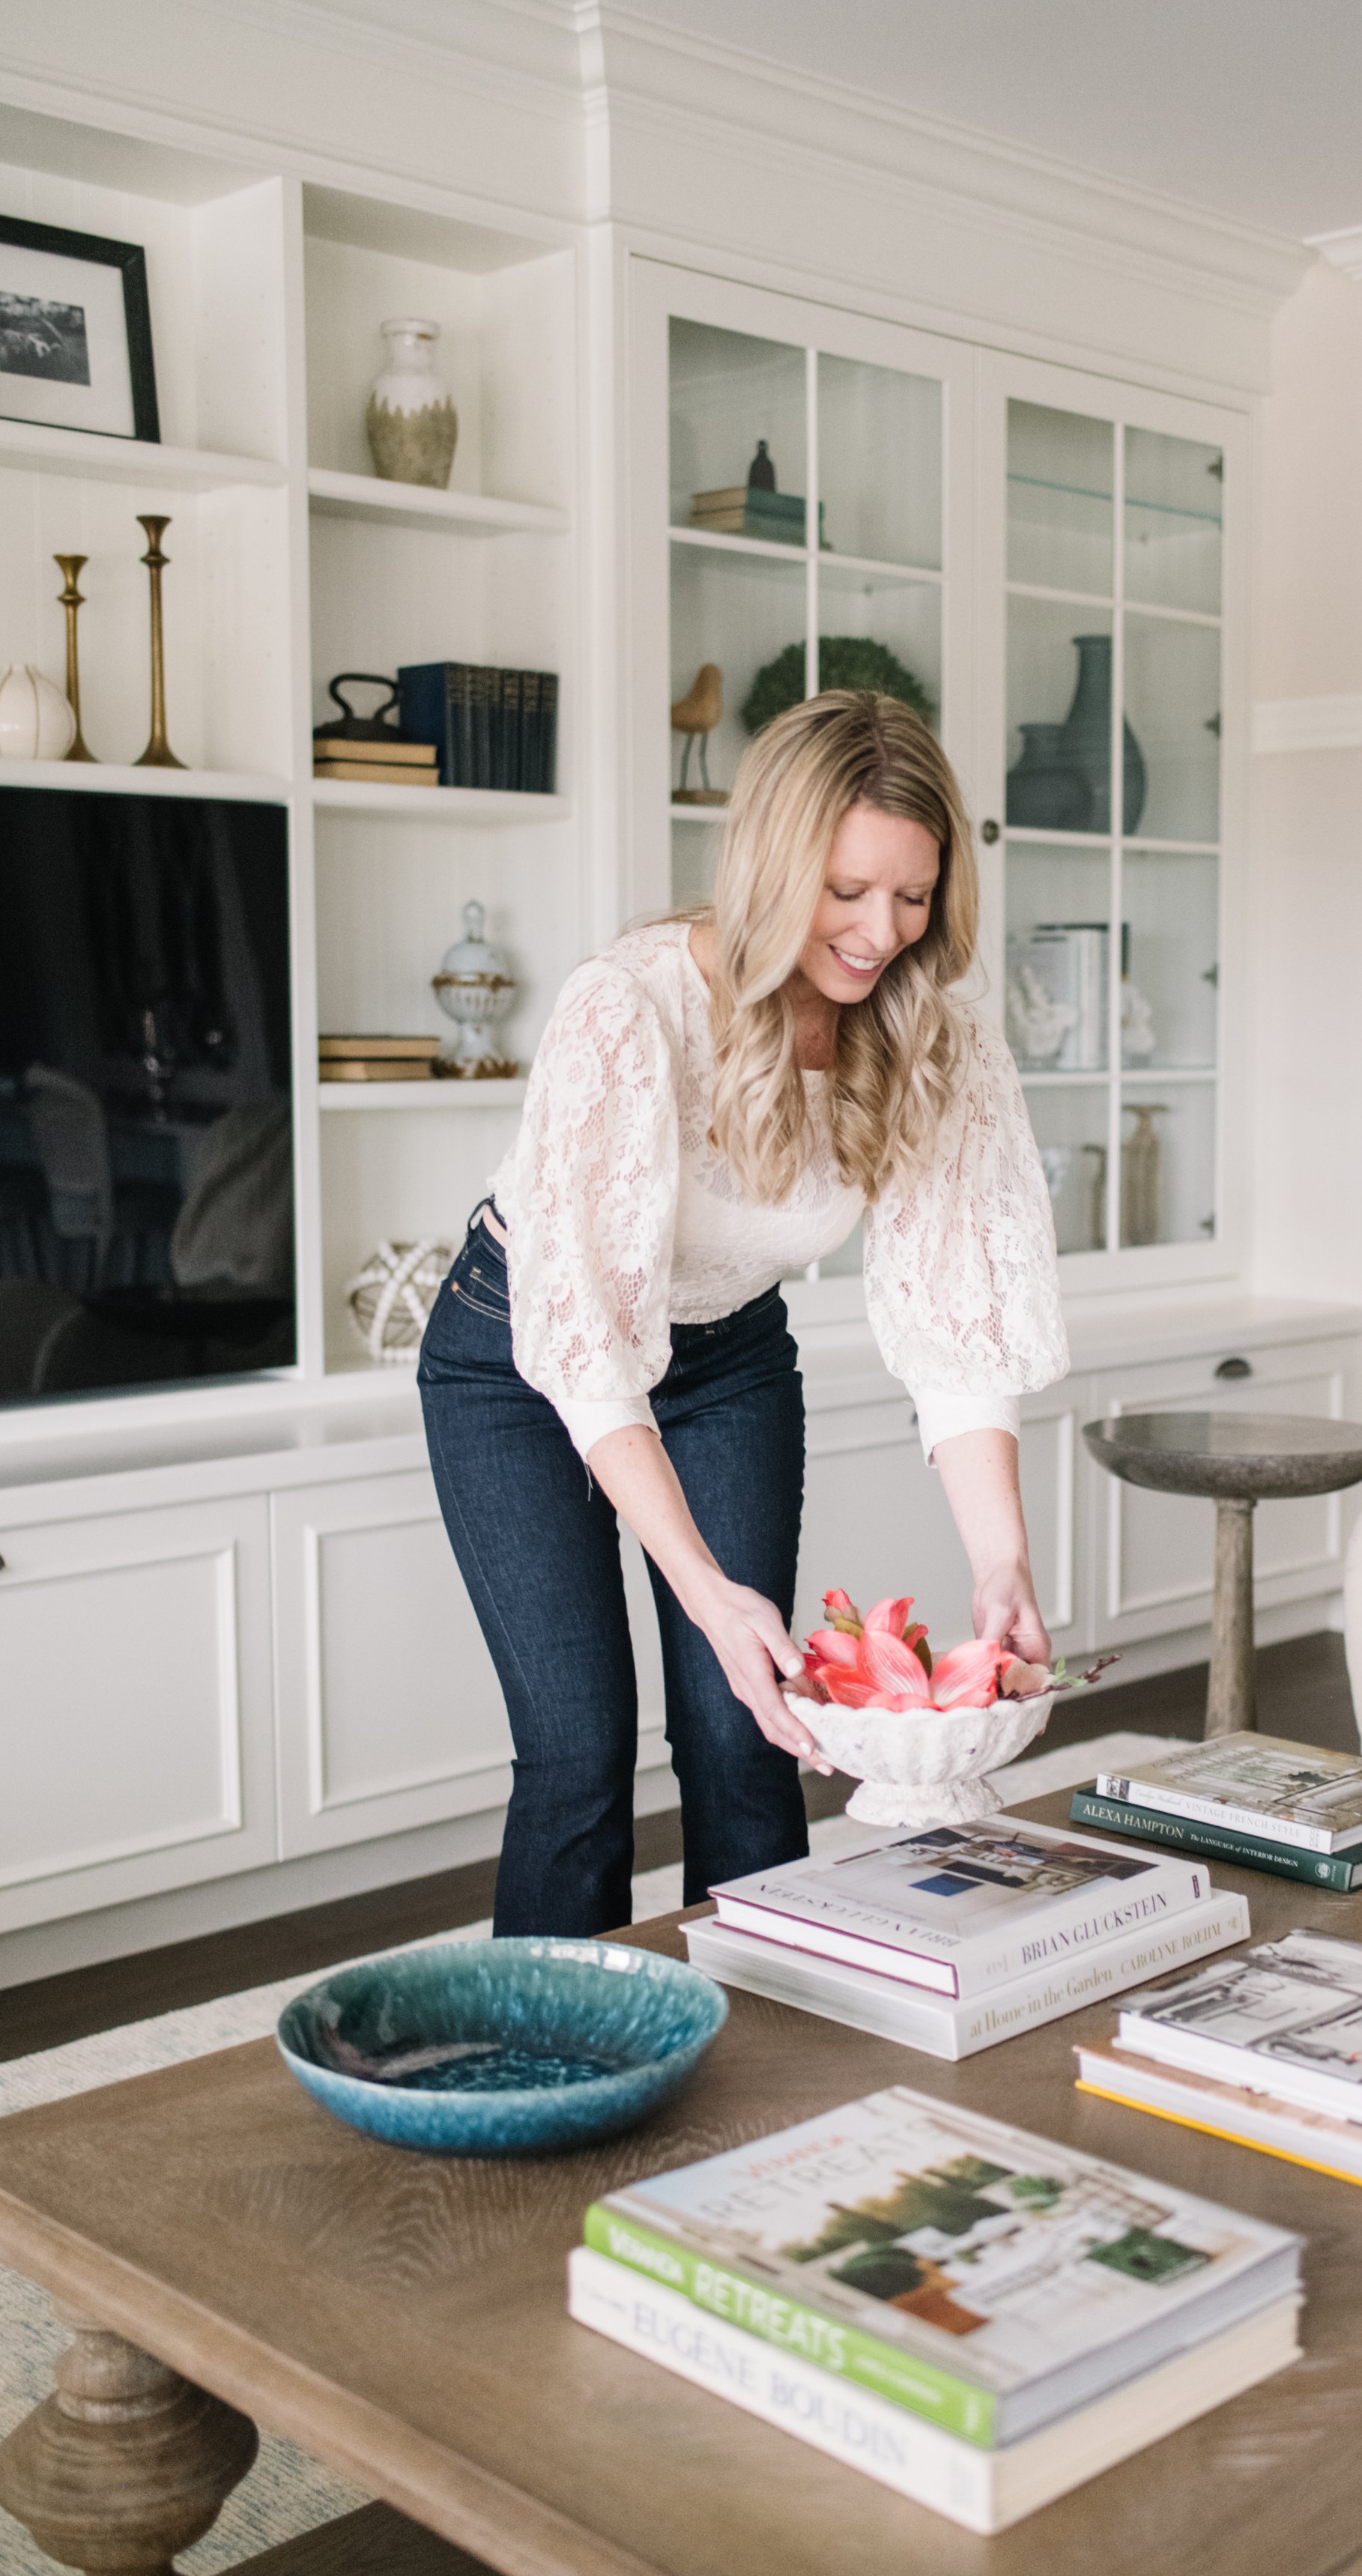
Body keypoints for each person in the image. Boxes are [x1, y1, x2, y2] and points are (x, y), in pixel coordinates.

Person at [418, 690, 1068, 1936]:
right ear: (775, 865)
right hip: (527, 1355)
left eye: (914, 896)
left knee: (750, 1728)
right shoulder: (633, 1009)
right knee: (578, 1748)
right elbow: (593, 1357)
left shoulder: (933, 1028)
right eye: (847, 890)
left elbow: (959, 1326)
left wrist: (1004, 1563)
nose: (881, 931)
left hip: (725, 1357)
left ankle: (780, 2047)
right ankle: (554, 2070)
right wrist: (707, 1591)